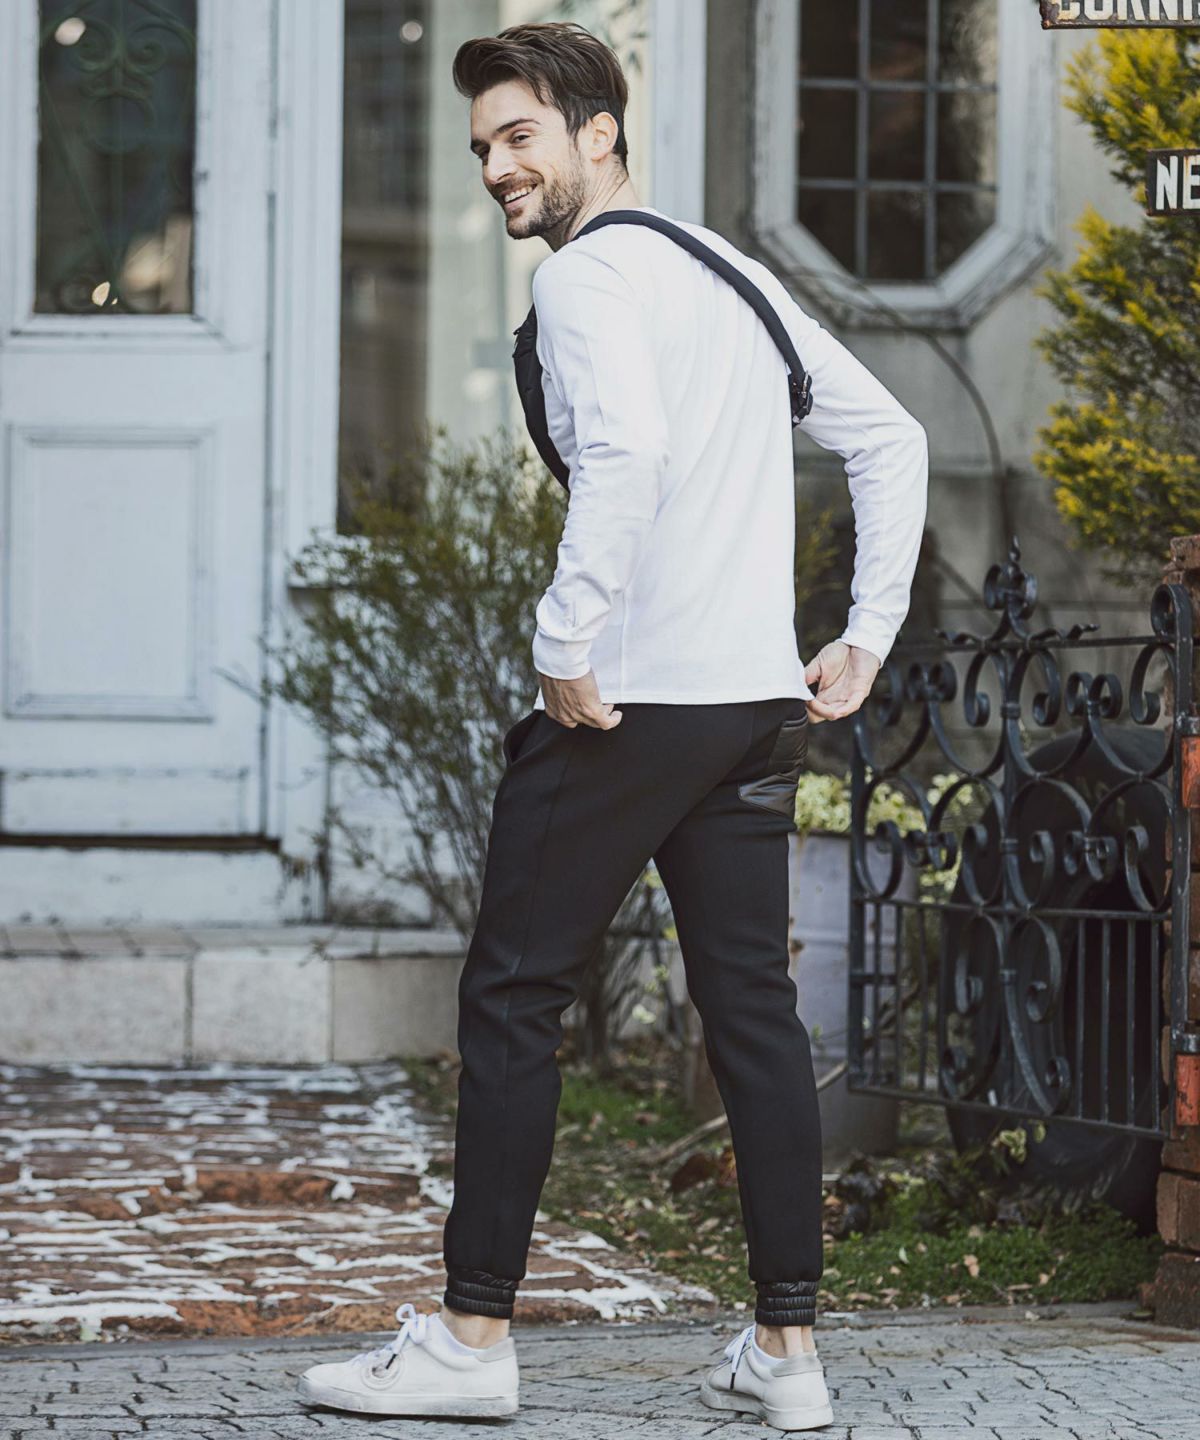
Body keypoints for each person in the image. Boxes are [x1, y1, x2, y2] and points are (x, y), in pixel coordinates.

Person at [298, 19, 927, 1432]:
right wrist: (863, 633)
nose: (495, 168)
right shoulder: (729, 273)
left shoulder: (585, 278)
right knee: (752, 1013)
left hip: (632, 701)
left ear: (599, 133)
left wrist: (562, 640)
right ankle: (789, 1351)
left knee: (514, 998)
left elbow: (630, 452)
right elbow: (893, 437)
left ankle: (471, 1338)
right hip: (752, 704)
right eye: (482, 147)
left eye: (519, 136)